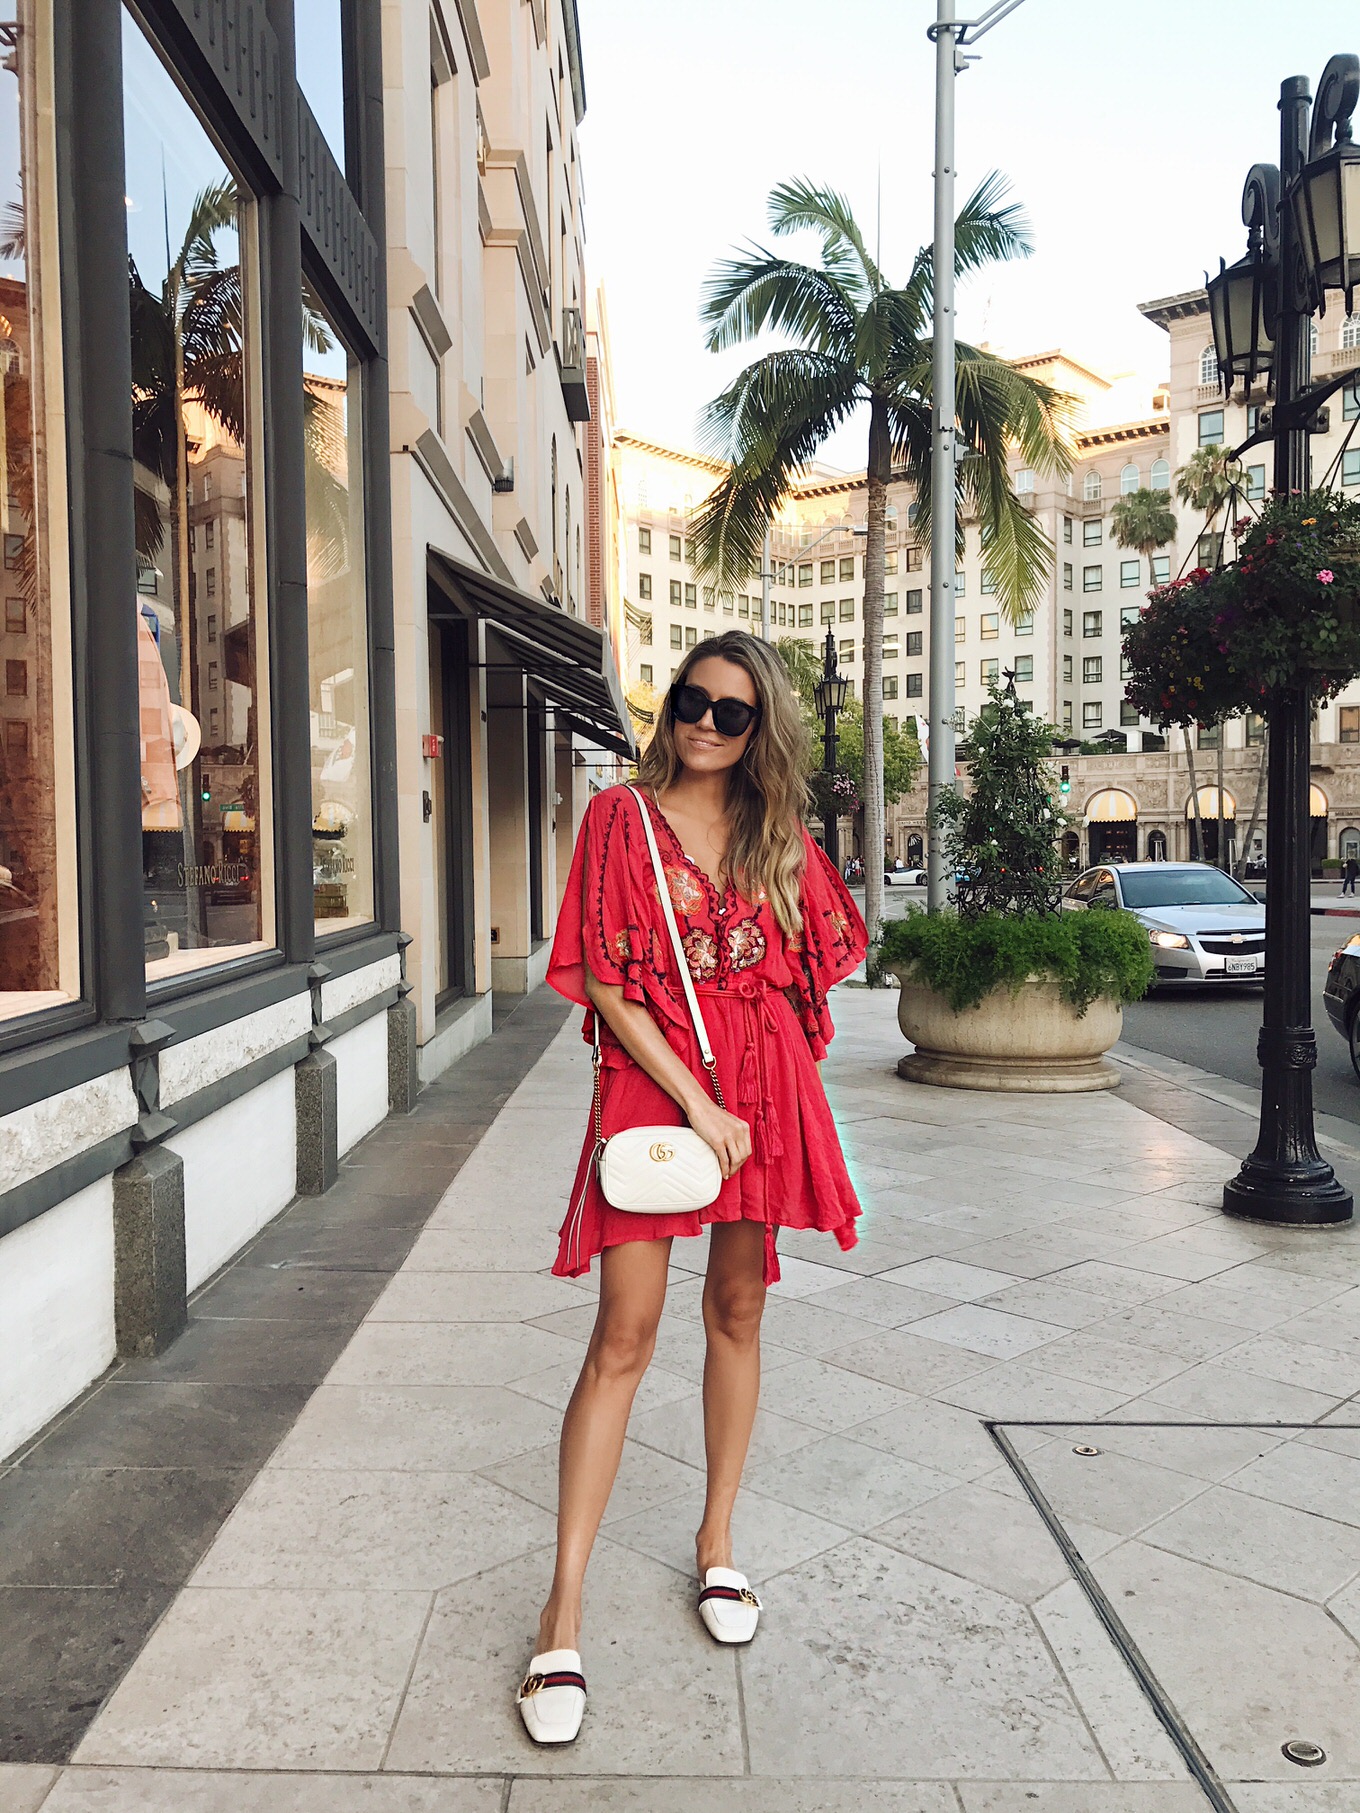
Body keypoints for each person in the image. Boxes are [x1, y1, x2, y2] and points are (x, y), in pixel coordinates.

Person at [519, 630, 866, 1746]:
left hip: (759, 1083)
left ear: (762, 729)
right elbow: (609, 983)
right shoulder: (621, 817)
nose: (705, 724)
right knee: (622, 1333)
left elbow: (820, 954)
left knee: (738, 1309)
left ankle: (717, 1542)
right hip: (659, 1081)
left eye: (732, 712)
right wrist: (696, 1100)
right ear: (668, 706)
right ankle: (560, 1611)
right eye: (691, 702)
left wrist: (760, 1081)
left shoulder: (778, 834)